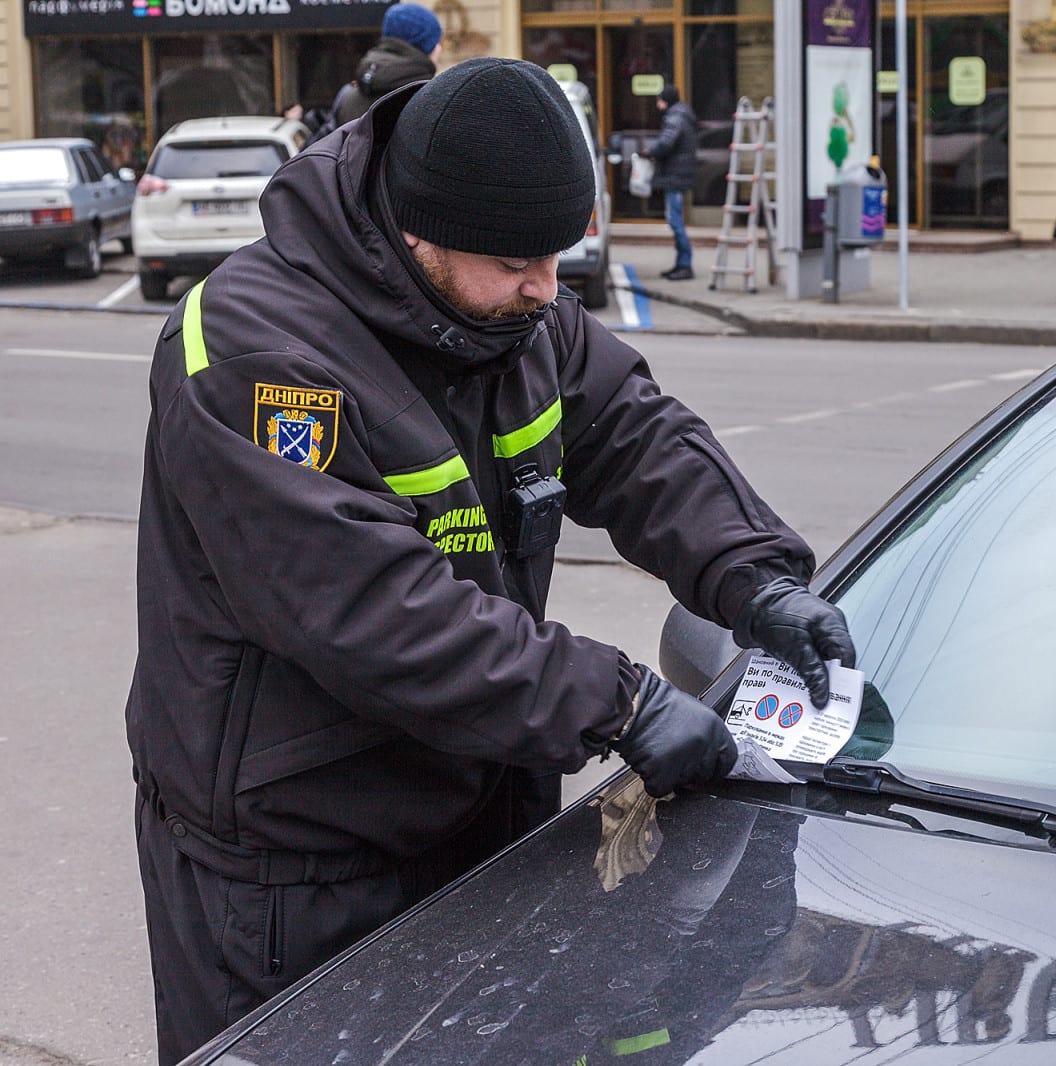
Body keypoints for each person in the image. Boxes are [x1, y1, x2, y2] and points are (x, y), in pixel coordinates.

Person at [125, 58, 855, 1063]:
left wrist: (755, 573)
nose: (549, 288)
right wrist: (619, 700)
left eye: (559, 254)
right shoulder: (255, 350)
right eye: (521, 260)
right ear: (418, 230)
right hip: (293, 868)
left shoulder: (512, 307)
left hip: (478, 818)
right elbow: (371, 610)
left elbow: (637, 438)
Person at [313, 2, 442, 140]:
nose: (440, 48)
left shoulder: (347, 98)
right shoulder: (438, 102)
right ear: (429, 48)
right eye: (437, 42)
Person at [643, 84, 698, 280]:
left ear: (666, 100)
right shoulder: (681, 115)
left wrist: (650, 151)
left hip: (675, 176)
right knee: (675, 221)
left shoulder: (675, 117)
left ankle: (685, 264)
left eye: (659, 100)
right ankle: (681, 264)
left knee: (675, 222)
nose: (658, 105)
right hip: (678, 175)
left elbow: (667, 142)